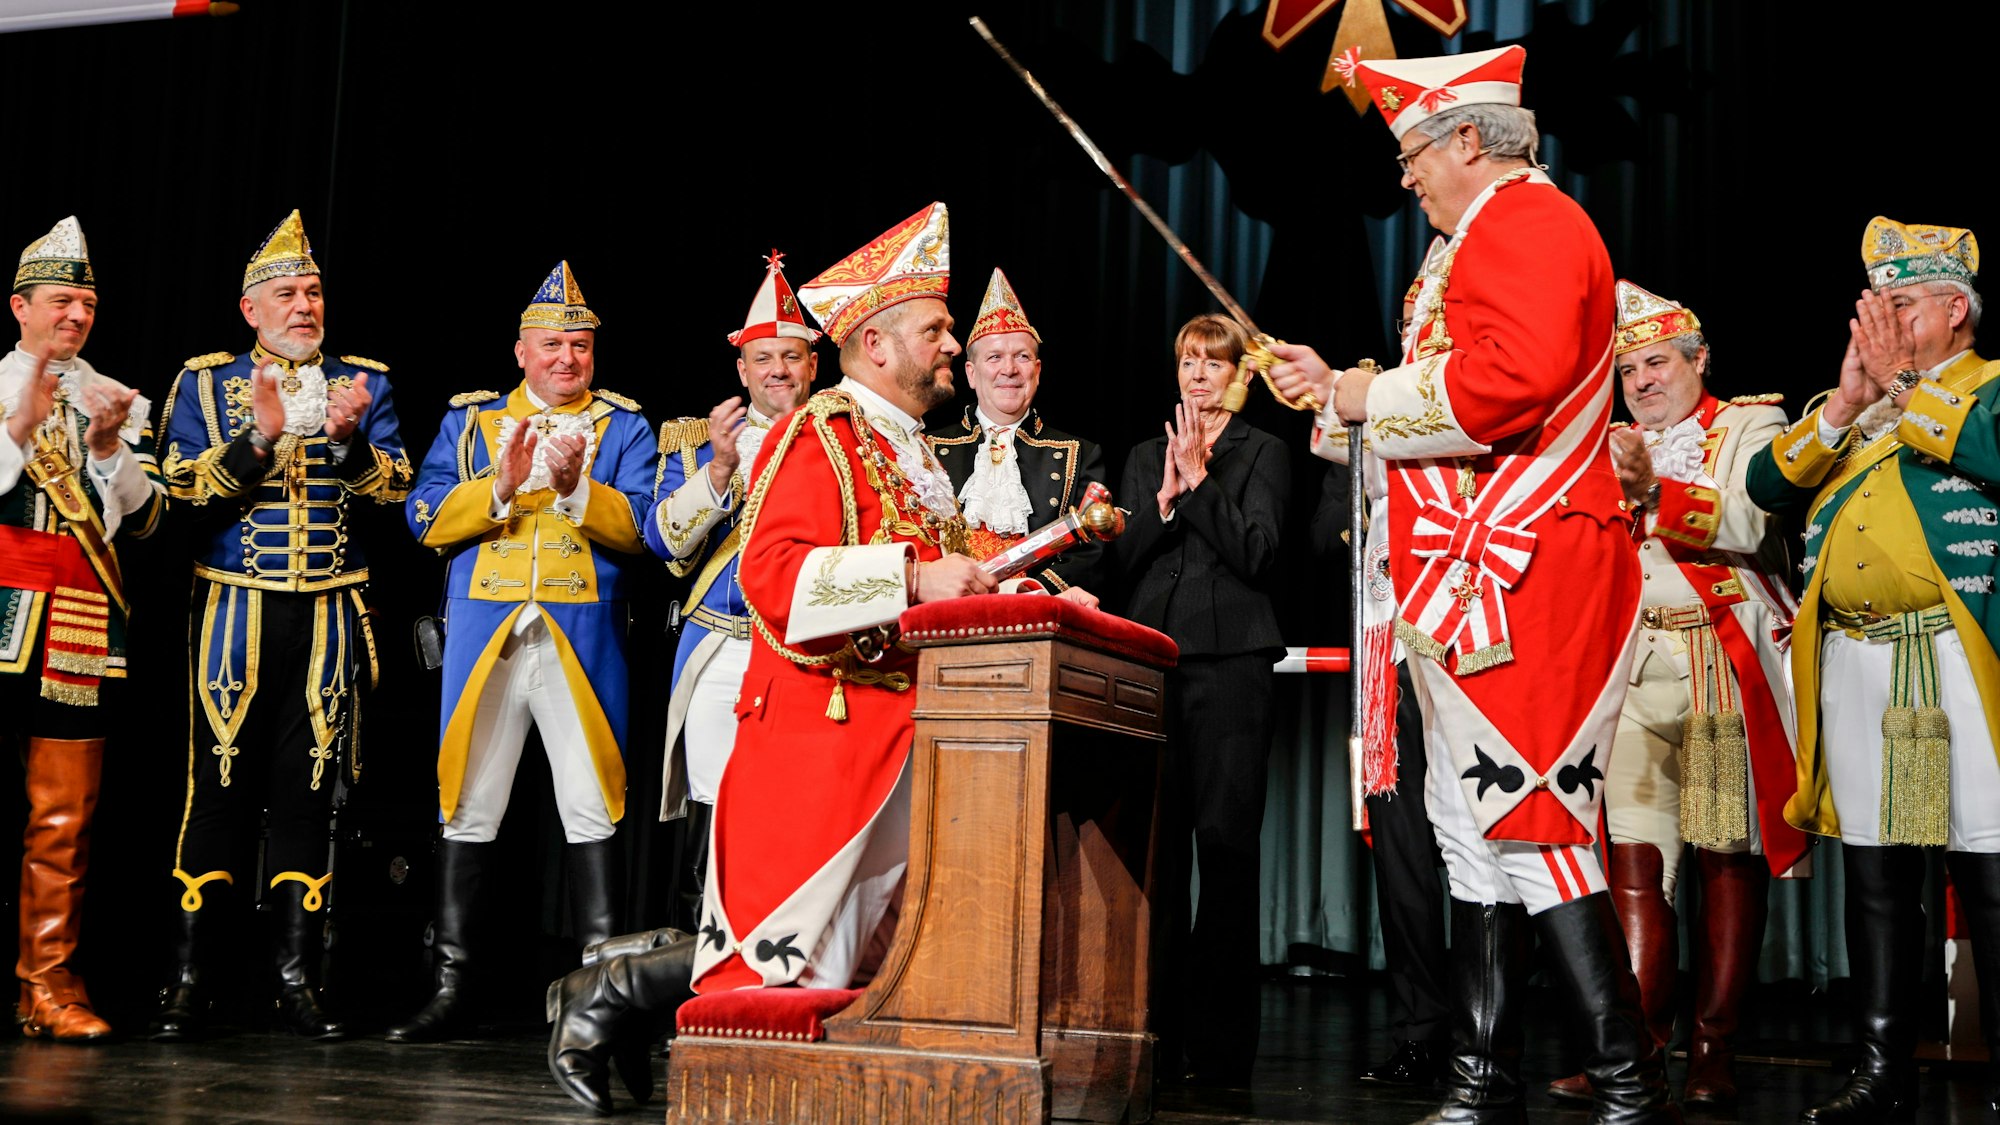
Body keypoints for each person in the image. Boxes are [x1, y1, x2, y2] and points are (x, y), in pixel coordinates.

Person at [1268, 45, 1672, 1122]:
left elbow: (1511, 381)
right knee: (1471, 824)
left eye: (1410, 153)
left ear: (1465, 140)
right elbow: (1453, 410)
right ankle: (1481, 1078)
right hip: (1479, 573)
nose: (1403, 177)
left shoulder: (1526, 221)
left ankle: (1630, 1087)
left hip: (1526, 571)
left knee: (1531, 819)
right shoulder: (1477, 238)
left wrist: (1363, 394)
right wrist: (1337, 396)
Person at [543, 201, 1000, 1113]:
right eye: (937, 329)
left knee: (843, 954)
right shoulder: (821, 431)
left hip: (902, 732)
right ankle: (608, 991)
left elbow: (953, 571)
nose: (955, 344)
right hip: (823, 734)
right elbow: (773, 574)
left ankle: (616, 988)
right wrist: (911, 576)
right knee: (781, 955)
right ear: (876, 343)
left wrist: (1027, 583)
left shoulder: (910, 450)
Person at [1745, 216, 2000, 1124]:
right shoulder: (1860, 408)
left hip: (1959, 656)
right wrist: (1848, 404)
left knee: (1986, 865)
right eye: (1876, 308)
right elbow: (1766, 489)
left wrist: (1901, 386)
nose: (1882, 325)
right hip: (1856, 661)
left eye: (1904, 304)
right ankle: (1882, 1072)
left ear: (1956, 310)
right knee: (1878, 875)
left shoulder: (1989, 389)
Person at [1544, 281, 1806, 1109]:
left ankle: (1713, 1050)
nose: (1641, 382)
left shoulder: (1751, 425)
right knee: (1634, 861)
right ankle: (1637, 1051)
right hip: (1628, 667)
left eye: (1656, 362)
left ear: (1699, 360)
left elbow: (1750, 523)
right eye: (1627, 371)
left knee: (1726, 854)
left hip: (1712, 658)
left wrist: (1652, 488)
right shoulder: (1604, 442)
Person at [152, 209, 411, 1041]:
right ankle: (193, 980)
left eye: (313, 292)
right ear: (250, 309)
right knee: (218, 785)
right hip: (234, 606)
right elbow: (179, 488)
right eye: (288, 294)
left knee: (310, 792)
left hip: (330, 608)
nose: (304, 306)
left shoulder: (362, 382)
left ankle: (296, 982)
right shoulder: (204, 384)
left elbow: (398, 490)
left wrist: (349, 441)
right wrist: (259, 437)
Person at [389, 261, 656, 1043]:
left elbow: (643, 528)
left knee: (591, 803)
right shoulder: (472, 422)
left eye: (580, 346)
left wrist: (576, 491)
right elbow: (423, 515)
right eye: (552, 345)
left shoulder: (624, 427)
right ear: (521, 352)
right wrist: (498, 489)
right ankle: (452, 985)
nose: (567, 358)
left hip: (581, 635)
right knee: (468, 800)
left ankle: (601, 995)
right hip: (488, 633)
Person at [1114, 312, 1289, 1085]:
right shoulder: (1144, 453)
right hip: (1153, 665)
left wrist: (1203, 484)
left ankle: (1219, 1052)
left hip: (1231, 671)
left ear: (1238, 375)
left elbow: (1258, 552)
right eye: (1188, 360)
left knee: (1224, 852)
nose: (1198, 374)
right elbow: (1120, 560)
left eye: (1213, 363)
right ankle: (1151, 1035)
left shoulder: (1264, 451)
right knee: (1155, 855)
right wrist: (1162, 500)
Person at [1, 217, 164, 1041]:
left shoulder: (116, 396)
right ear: (20, 307)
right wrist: (15, 432)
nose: (77, 315)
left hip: (78, 613)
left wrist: (106, 449)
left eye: (88, 304)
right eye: (63, 300)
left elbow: (147, 519)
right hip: (2, 603)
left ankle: (47, 984)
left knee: (65, 815)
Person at [644, 250, 819, 928]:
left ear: (812, 365)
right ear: (742, 371)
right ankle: (697, 960)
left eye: (790, 357)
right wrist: (718, 470)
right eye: (763, 358)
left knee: (796, 805)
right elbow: (665, 543)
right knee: (714, 804)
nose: (778, 370)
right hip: (721, 648)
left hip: (804, 649)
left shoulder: (841, 443)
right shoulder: (697, 443)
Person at [1312, 278, 1451, 1089]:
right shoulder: (1381, 394)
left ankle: (1491, 1030)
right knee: (1400, 846)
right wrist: (1330, 387)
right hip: (1386, 640)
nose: (1420, 326)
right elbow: (1333, 435)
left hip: (1465, 639)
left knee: (1487, 841)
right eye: (1411, 318)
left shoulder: (1471, 394)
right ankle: (1422, 1029)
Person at [927, 267, 1107, 602]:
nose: (1009, 370)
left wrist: (1029, 594)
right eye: (995, 357)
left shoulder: (1079, 453)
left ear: (1036, 372)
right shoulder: (928, 447)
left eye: (1022, 357)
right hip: (944, 610)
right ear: (971, 373)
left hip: (1034, 613)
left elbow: (1091, 551)